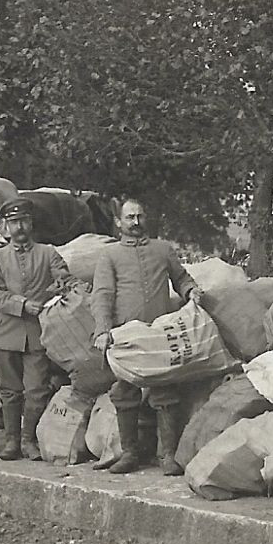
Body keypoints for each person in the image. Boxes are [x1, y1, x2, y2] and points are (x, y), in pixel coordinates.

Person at [90, 197, 204, 475]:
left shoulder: (162, 249)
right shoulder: (110, 255)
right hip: (125, 334)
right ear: (119, 222)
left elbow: (181, 278)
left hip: (160, 333)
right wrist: (103, 330)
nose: (136, 222)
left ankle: (167, 455)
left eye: (140, 216)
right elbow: (102, 294)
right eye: (130, 217)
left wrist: (191, 291)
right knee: (125, 391)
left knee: (165, 391)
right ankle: (129, 453)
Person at [0, 199, 71, 460]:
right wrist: (22, 304)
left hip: (38, 334)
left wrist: (54, 294)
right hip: (6, 332)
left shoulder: (48, 253)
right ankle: (12, 442)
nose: (19, 228)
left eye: (23, 221)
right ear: (6, 228)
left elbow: (65, 280)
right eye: (13, 223)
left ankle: (28, 439)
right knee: (10, 391)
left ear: (31, 224)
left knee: (36, 390)